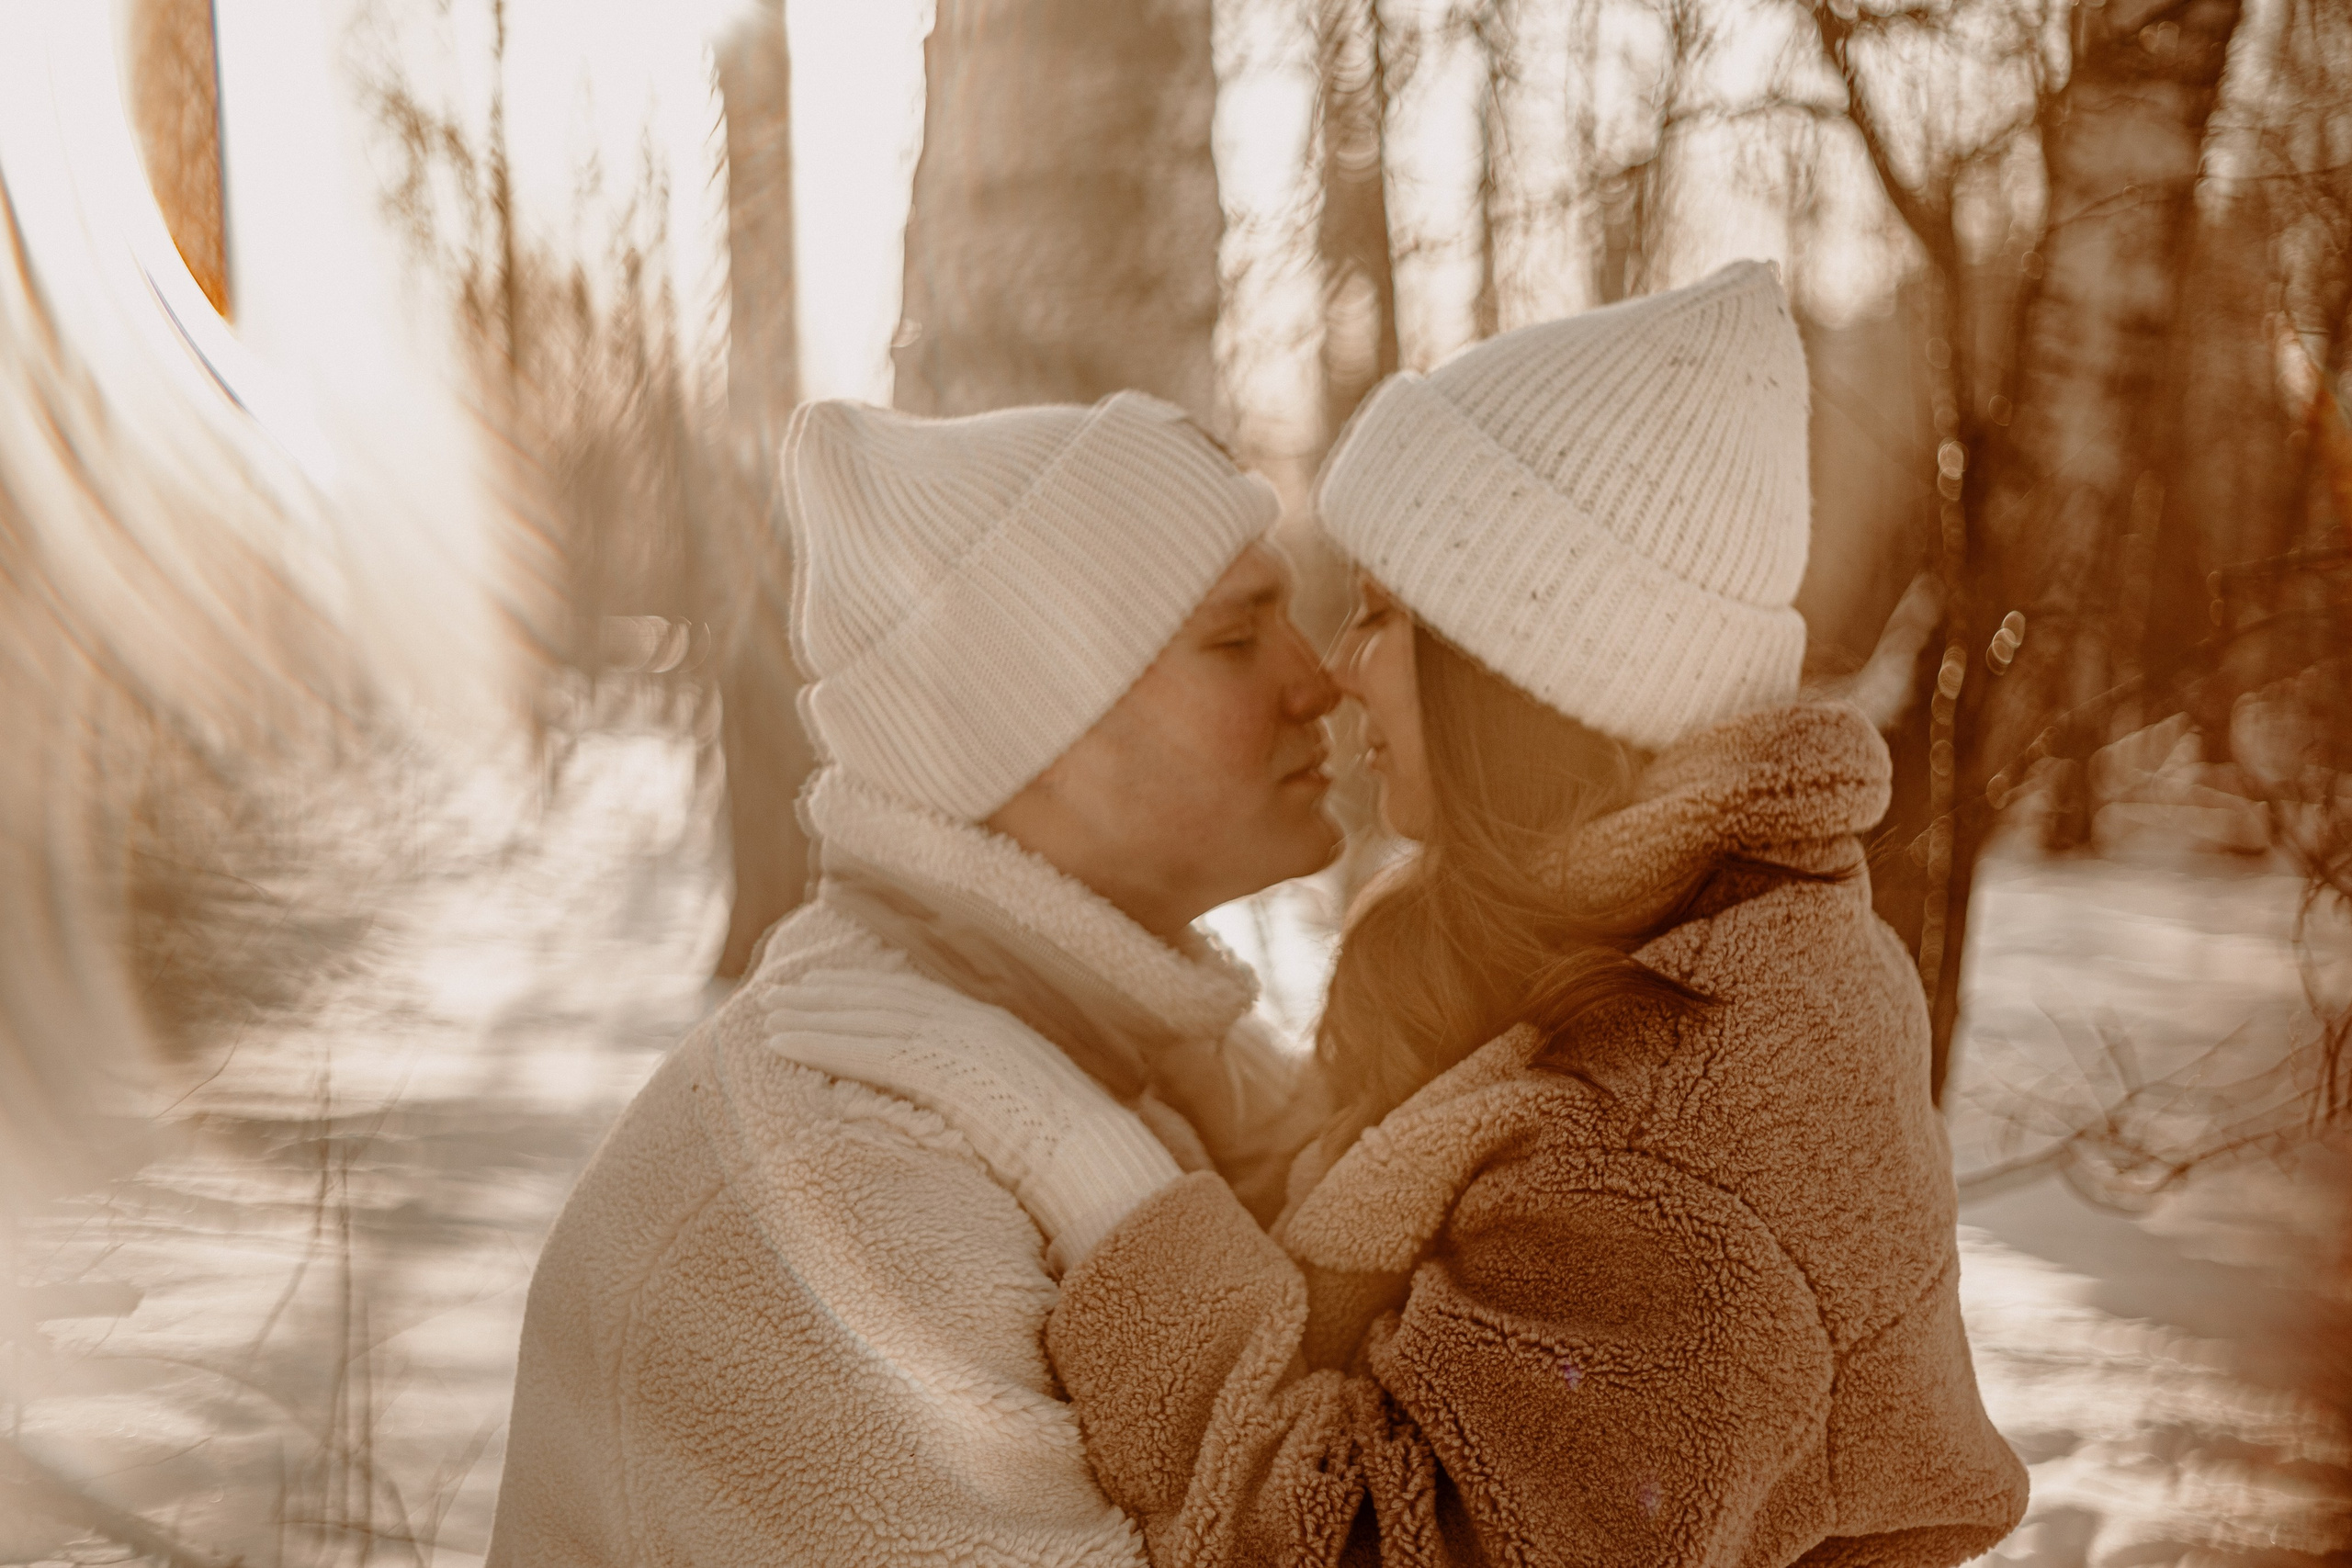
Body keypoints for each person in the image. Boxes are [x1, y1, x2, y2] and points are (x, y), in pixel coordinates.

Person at [939, 263, 2029, 1563]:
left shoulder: (1673, 1132)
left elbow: (1382, 1542)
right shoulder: (1663, 936)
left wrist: (1108, 1196)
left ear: (1516, 675)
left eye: (1386, 617)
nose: (1339, 672)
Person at [485, 390, 1342, 1566]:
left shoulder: (1124, 1069)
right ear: (1039, 736)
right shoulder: (843, 1188)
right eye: (1236, 640)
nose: (1318, 682)